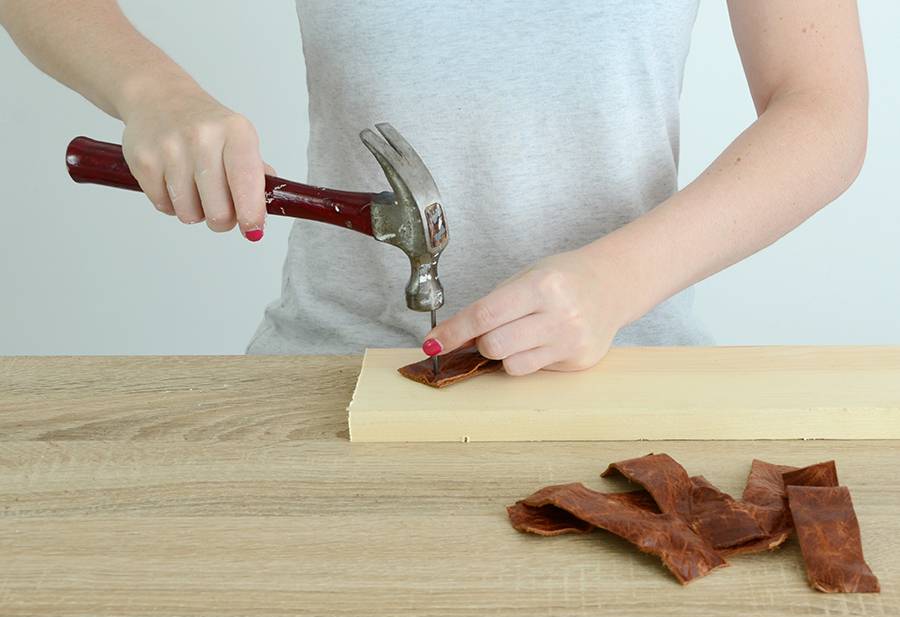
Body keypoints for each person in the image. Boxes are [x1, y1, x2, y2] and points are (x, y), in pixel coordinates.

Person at [0, 1, 868, 374]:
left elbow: (823, 111)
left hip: (625, 373)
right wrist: (157, 94)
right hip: (337, 367)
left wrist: (617, 281)